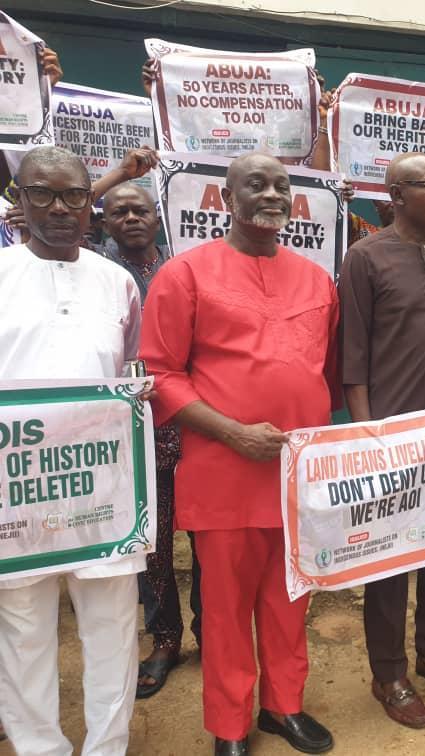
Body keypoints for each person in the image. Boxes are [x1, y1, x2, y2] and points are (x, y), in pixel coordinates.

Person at [140, 153, 338, 755]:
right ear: (227, 198)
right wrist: (232, 432)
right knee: (226, 607)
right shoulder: (184, 274)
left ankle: (283, 706)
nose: (272, 194)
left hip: (298, 473)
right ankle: (229, 725)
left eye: (281, 185)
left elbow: (324, 370)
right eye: (256, 184)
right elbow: (160, 375)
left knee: (290, 597)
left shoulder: (317, 280)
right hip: (223, 471)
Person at [0, 146, 143, 756]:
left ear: (92, 204)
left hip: (103, 493)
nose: (59, 208)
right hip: (17, 493)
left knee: (113, 628)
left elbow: (128, 369)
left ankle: (108, 746)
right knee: (23, 631)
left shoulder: (118, 282)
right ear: (19, 199)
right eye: (42, 193)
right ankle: (40, 747)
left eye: (74, 195)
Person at [340, 153, 425, 730]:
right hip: (391, 434)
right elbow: (352, 357)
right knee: (390, 557)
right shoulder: (364, 257)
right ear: (396, 195)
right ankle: (389, 672)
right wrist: (368, 436)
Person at [98, 182, 204, 698]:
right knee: (153, 545)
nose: (131, 218)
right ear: (105, 223)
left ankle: (210, 629)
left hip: (194, 423)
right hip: (134, 431)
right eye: (119, 212)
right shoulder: (98, 275)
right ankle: (165, 639)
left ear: (157, 218)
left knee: (207, 537)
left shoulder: (184, 269)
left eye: (140, 210)